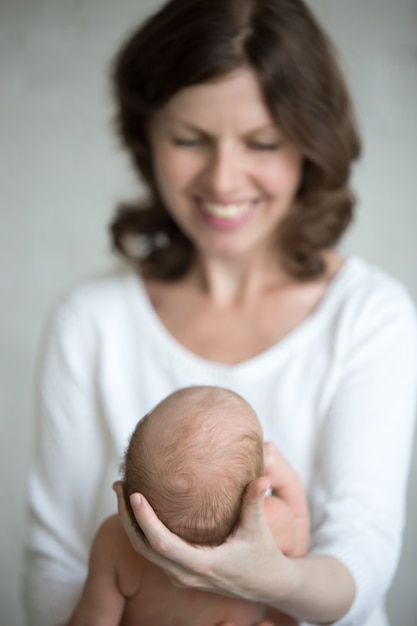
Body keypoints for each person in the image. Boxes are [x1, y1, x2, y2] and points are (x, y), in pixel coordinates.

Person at [24, 0, 417, 625]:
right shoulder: (91, 320)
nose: (224, 179)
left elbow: (363, 559)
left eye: (262, 143)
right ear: (145, 135)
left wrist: (275, 579)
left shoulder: (371, 316)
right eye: (189, 139)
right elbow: (56, 568)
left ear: (310, 146)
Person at [67, 385, 309, 626]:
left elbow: (91, 620)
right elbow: (298, 563)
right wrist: (290, 481)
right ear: (256, 490)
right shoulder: (272, 524)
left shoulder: (115, 540)